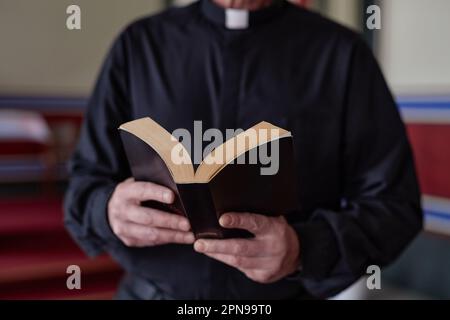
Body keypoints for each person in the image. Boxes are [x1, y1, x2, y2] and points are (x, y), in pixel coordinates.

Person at [64, 0, 422, 299]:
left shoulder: (342, 54)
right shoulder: (139, 45)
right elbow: (84, 184)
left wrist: (304, 248)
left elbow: (395, 206)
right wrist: (108, 210)